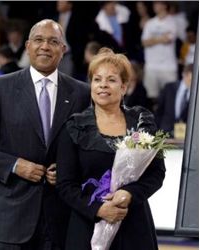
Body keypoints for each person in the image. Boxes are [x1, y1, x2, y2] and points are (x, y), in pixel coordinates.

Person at [0, 19, 90, 250]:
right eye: (38, 40)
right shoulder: (0, 88)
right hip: (11, 219)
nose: (45, 46)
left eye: (53, 41)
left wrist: (70, 169)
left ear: (63, 49)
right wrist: (14, 165)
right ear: (27, 46)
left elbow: (90, 148)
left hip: (62, 220)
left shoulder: (82, 93)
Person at [56, 48, 165, 250]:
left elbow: (157, 173)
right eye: (97, 80)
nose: (103, 85)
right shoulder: (74, 126)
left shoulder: (142, 122)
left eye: (111, 80)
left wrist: (130, 194)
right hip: (87, 227)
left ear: (124, 87)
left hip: (133, 226)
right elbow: (65, 185)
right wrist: (98, 209)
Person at [156, 63, 193, 137]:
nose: (191, 82)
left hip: (186, 135)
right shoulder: (169, 88)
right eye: (190, 79)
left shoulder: (196, 93)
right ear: (184, 74)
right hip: (165, 133)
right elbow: (159, 110)